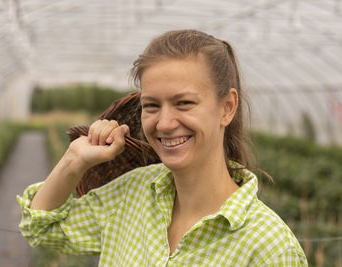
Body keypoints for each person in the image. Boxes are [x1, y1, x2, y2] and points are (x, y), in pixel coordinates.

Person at [18, 29, 308, 266]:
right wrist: (74, 160)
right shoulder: (132, 194)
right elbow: (41, 228)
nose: (165, 123)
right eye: (151, 106)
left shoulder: (269, 247)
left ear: (227, 108)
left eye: (184, 103)